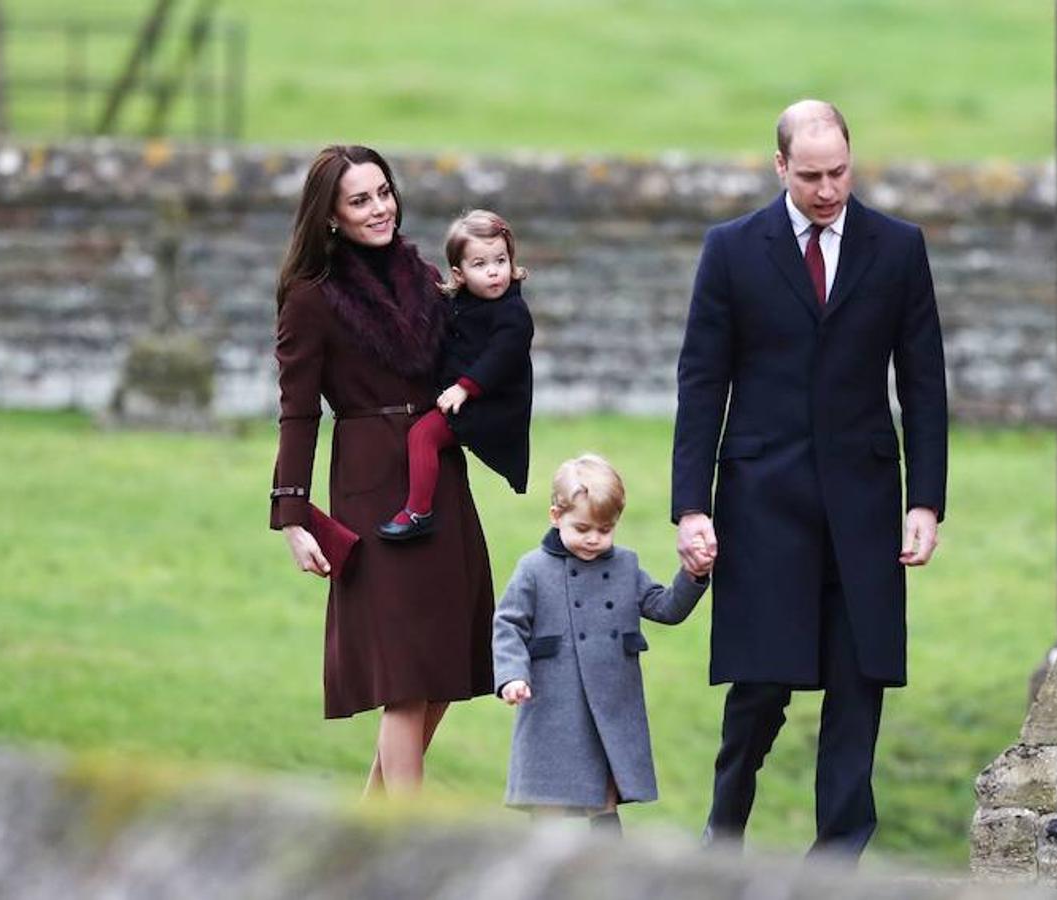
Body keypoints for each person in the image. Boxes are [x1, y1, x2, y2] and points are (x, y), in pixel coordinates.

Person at [671, 100, 948, 856]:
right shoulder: (731, 249)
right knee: (758, 689)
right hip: (762, 503)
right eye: (811, 175)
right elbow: (701, 382)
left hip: (862, 505)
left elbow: (922, 383)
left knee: (859, 684)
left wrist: (925, 500)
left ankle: (837, 861)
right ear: (779, 167)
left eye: (839, 172)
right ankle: (719, 841)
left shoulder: (896, 248)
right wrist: (690, 506)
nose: (828, 190)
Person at [270, 144, 495, 794]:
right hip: (371, 490)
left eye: (383, 192)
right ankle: (408, 854)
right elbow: (297, 413)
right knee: (404, 679)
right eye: (360, 199)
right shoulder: (311, 299)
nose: (378, 208)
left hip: (440, 481)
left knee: (444, 666)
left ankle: (366, 835)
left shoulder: (424, 277)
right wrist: (293, 517)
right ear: (331, 216)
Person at [492, 454, 709, 833]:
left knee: (603, 800)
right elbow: (508, 625)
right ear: (555, 516)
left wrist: (692, 576)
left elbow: (664, 608)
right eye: (582, 527)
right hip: (553, 704)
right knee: (548, 802)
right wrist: (511, 675)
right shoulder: (533, 569)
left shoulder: (625, 565)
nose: (594, 538)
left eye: (605, 529)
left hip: (610, 707)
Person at [377, 209, 535, 541]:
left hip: (492, 406)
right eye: (480, 264)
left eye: (501, 260)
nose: (494, 272)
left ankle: (419, 512)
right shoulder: (459, 303)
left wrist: (464, 389)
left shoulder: (514, 313)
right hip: (464, 396)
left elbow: (500, 358)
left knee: (423, 436)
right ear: (458, 273)